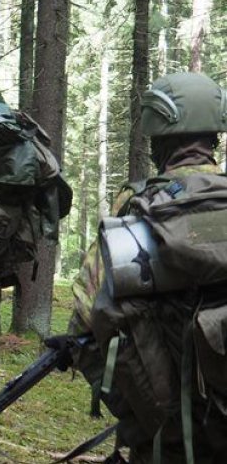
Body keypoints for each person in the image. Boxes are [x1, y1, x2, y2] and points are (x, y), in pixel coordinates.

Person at [69, 72, 227, 463]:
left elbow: (84, 316)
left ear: (159, 135)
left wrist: (132, 406)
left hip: (164, 432)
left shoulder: (141, 206)